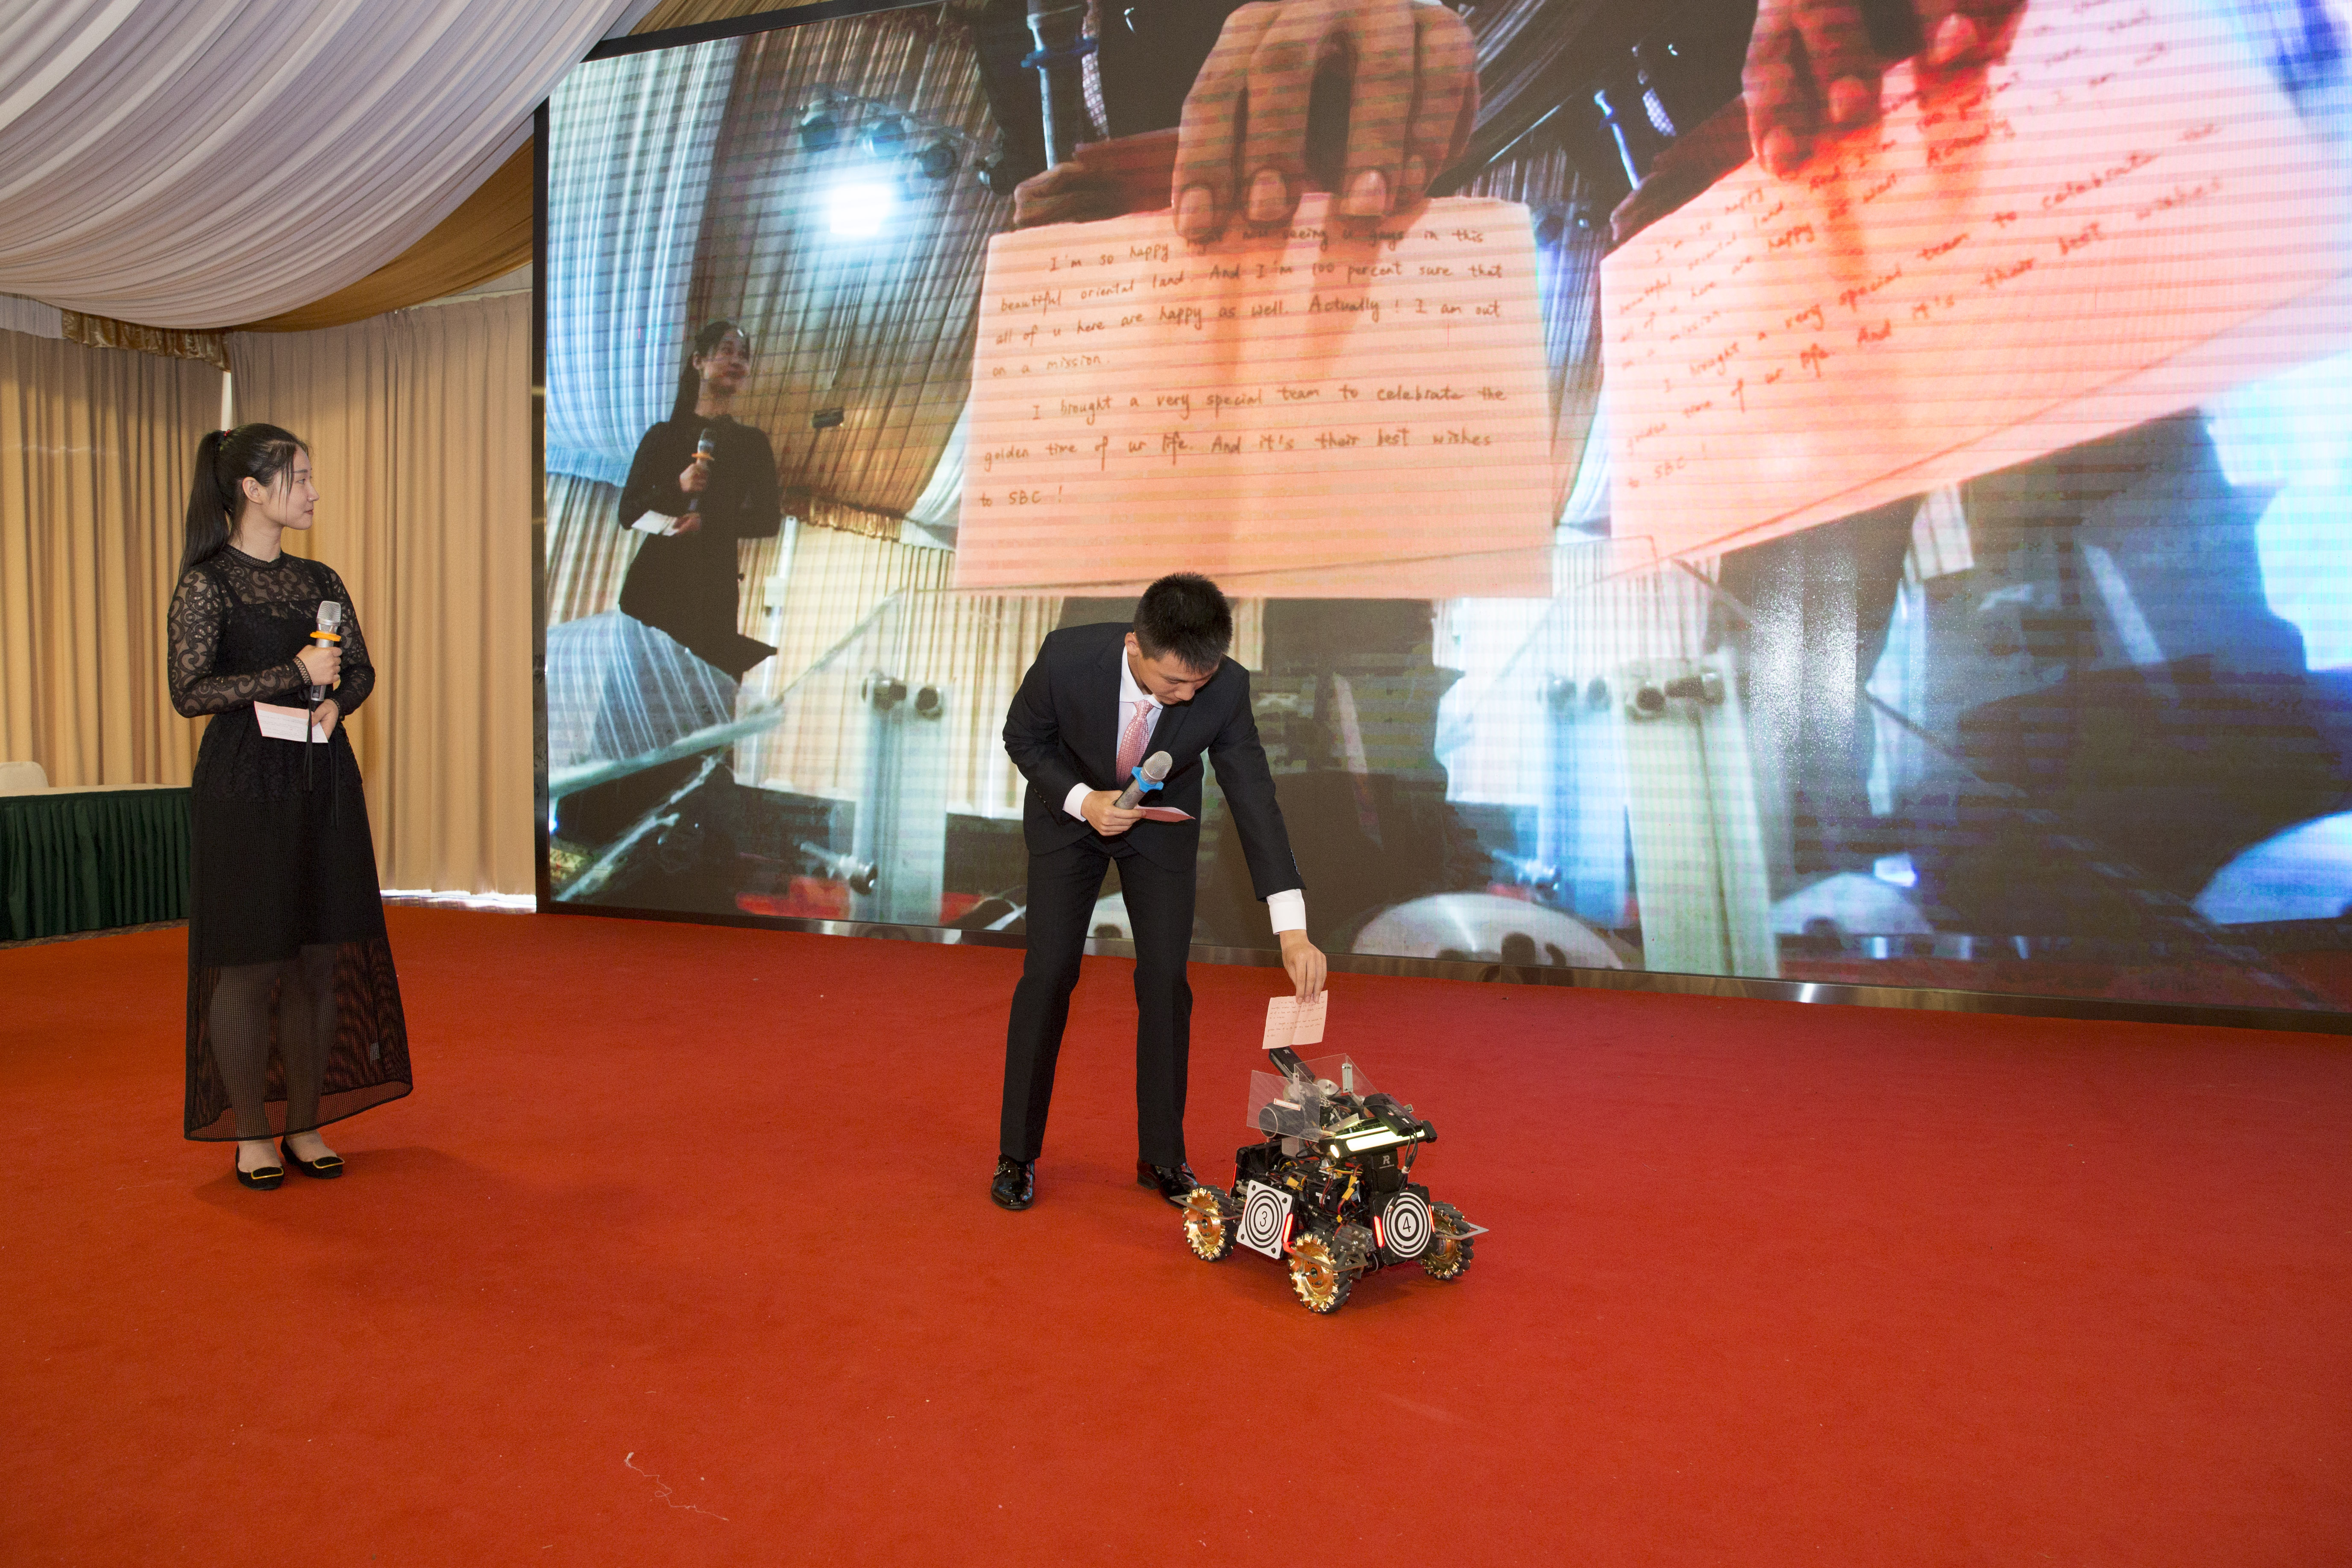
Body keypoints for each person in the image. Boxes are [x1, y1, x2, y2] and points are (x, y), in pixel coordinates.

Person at [994, 573, 1328, 1212]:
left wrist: (1292, 928)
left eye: (1199, 682)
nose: (1186, 695)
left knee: (1166, 982)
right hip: (1071, 820)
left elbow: (1254, 798)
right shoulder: (1067, 657)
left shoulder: (1224, 687)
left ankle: (1163, 1156)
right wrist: (1082, 800)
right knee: (1049, 972)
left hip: (1160, 830)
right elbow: (1022, 737)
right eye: (1173, 682)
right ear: (1134, 646)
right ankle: (1017, 1152)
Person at [167, 425, 411, 1189]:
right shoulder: (208, 582)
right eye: (299, 477)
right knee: (249, 965)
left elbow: (359, 669)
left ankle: (304, 1122)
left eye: (309, 477)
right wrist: (292, 672)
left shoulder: (319, 576)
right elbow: (190, 692)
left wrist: (339, 700)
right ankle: (251, 1132)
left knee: (318, 962)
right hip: (244, 786)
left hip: (320, 778)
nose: (312, 491)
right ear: (252, 488)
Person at [613, 319, 783, 682]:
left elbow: (769, 520)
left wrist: (708, 523)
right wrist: (678, 486)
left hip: (712, 588)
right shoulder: (662, 436)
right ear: (698, 362)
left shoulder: (752, 444)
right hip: (654, 582)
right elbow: (628, 512)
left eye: (744, 356)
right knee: (641, 688)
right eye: (726, 351)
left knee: (700, 694)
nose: (737, 361)